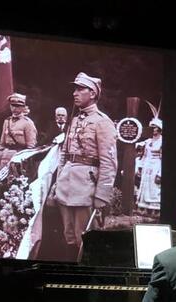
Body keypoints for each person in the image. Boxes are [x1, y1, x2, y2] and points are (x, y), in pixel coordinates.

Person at [52, 72, 118, 261]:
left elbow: (109, 161)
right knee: (68, 235)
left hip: (86, 187)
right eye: (75, 88)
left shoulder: (102, 122)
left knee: (86, 237)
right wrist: (58, 182)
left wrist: (101, 195)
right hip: (66, 184)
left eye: (81, 89)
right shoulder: (74, 119)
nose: (75, 93)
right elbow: (64, 154)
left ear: (93, 94)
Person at [0, 93, 37, 170]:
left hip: (19, 157)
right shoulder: (7, 121)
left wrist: (26, 163)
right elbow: (1, 144)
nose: (14, 108)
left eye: (17, 106)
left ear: (22, 107)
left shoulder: (27, 123)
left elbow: (31, 146)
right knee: (2, 181)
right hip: (5, 157)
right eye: (12, 105)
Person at [136, 118, 162, 214]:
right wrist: (140, 167)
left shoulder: (162, 141)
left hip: (156, 165)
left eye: (154, 127)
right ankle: (144, 208)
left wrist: (160, 173)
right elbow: (144, 155)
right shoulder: (148, 141)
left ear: (159, 128)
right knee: (145, 185)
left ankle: (155, 210)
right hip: (147, 165)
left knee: (154, 186)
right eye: (151, 127)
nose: (152, 129)